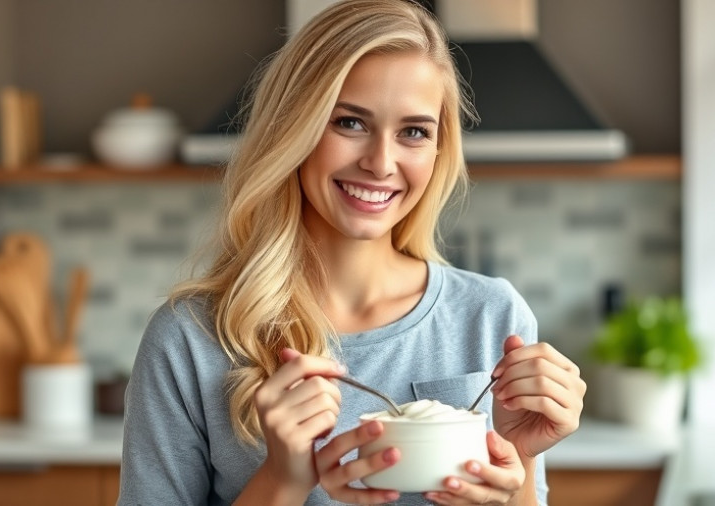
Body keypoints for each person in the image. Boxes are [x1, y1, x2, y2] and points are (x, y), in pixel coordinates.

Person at [118, 0, 586, 504]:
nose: (381, 162)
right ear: (293, 127)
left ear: (437, 150)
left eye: (413, 132)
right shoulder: (189, 338)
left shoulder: (493, 317)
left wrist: (520, 453)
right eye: (350, 123)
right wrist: (284, 478)